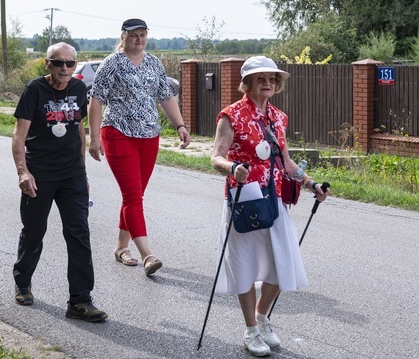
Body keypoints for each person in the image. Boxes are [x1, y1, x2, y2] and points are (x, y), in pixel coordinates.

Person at [210, 56, 331, 357]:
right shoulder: (231, 115)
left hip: (275, 199)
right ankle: (251, 330)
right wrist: (232, 167)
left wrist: (311, 184)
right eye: (260, 78)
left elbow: (287, 163)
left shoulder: (279, 117)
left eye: (272, 79)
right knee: (245, 266)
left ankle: (263, 319)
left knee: (282, 264)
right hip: (245, 199)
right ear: (247, 82)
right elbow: (216, 157)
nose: (268, 83)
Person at [11, 42, 108, 322]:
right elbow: (19, 136)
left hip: (71, 174)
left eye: (70, 63)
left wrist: (83, 172)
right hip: (39, 174)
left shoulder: (79, 89)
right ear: (47, 64)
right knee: (34, 231)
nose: (65, 68)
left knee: (79, 234)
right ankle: (23, 282)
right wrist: (22, 172)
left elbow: (79, 130)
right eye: (59, 63)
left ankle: (80, 300)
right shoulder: (35, 90)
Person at [88, 18, 190, 277]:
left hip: (149, 136)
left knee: (134, 196)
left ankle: (121, 247)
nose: (139, 39)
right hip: (118, 133)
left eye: (143, 34)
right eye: (134, 35)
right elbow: (96, 101)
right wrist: (95, 137)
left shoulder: (154, 63)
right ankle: (147, 255)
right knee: (133, 196)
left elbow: (166, 97)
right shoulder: (111, 64)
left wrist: (180, 125)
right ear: (123, 37)